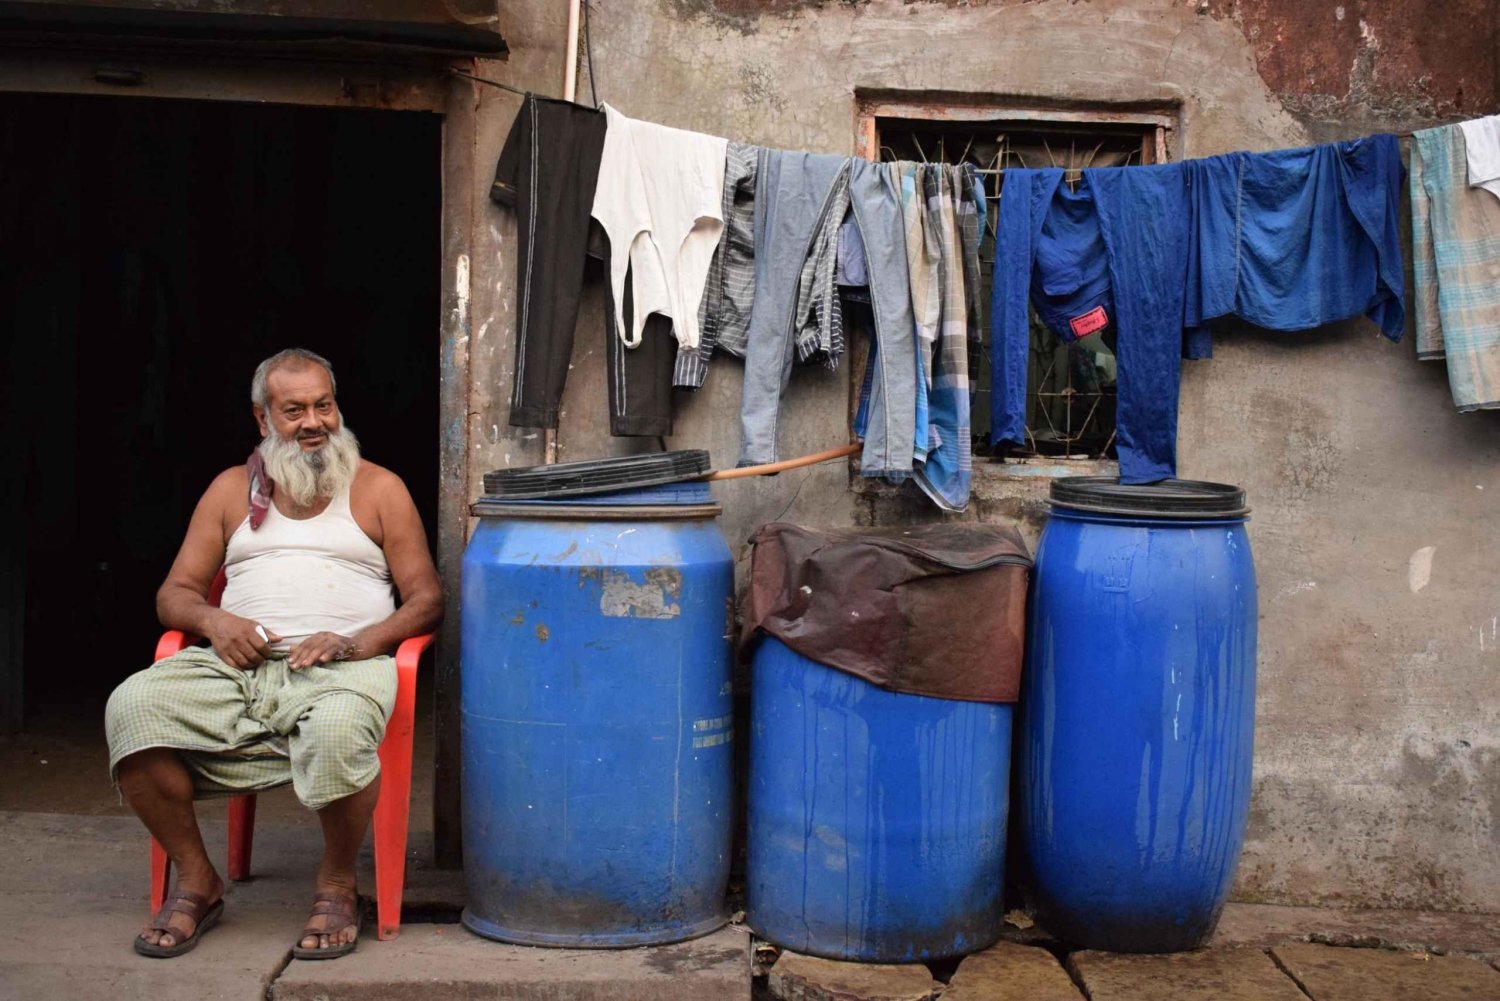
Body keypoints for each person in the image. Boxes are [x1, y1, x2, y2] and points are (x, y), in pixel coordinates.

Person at [105, 348, 443, 959]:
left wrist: (354, 641)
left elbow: (426, 601)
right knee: (131, 708)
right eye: (294, 411)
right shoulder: (230, 491)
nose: (314, 422)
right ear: (263, 420)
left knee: (340, 726)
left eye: (324, 405)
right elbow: (173, 595)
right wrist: (215, 619)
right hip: (239, 667)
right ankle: (198, 881)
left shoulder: (379, 488)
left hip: (344, 668)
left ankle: (338, 884)